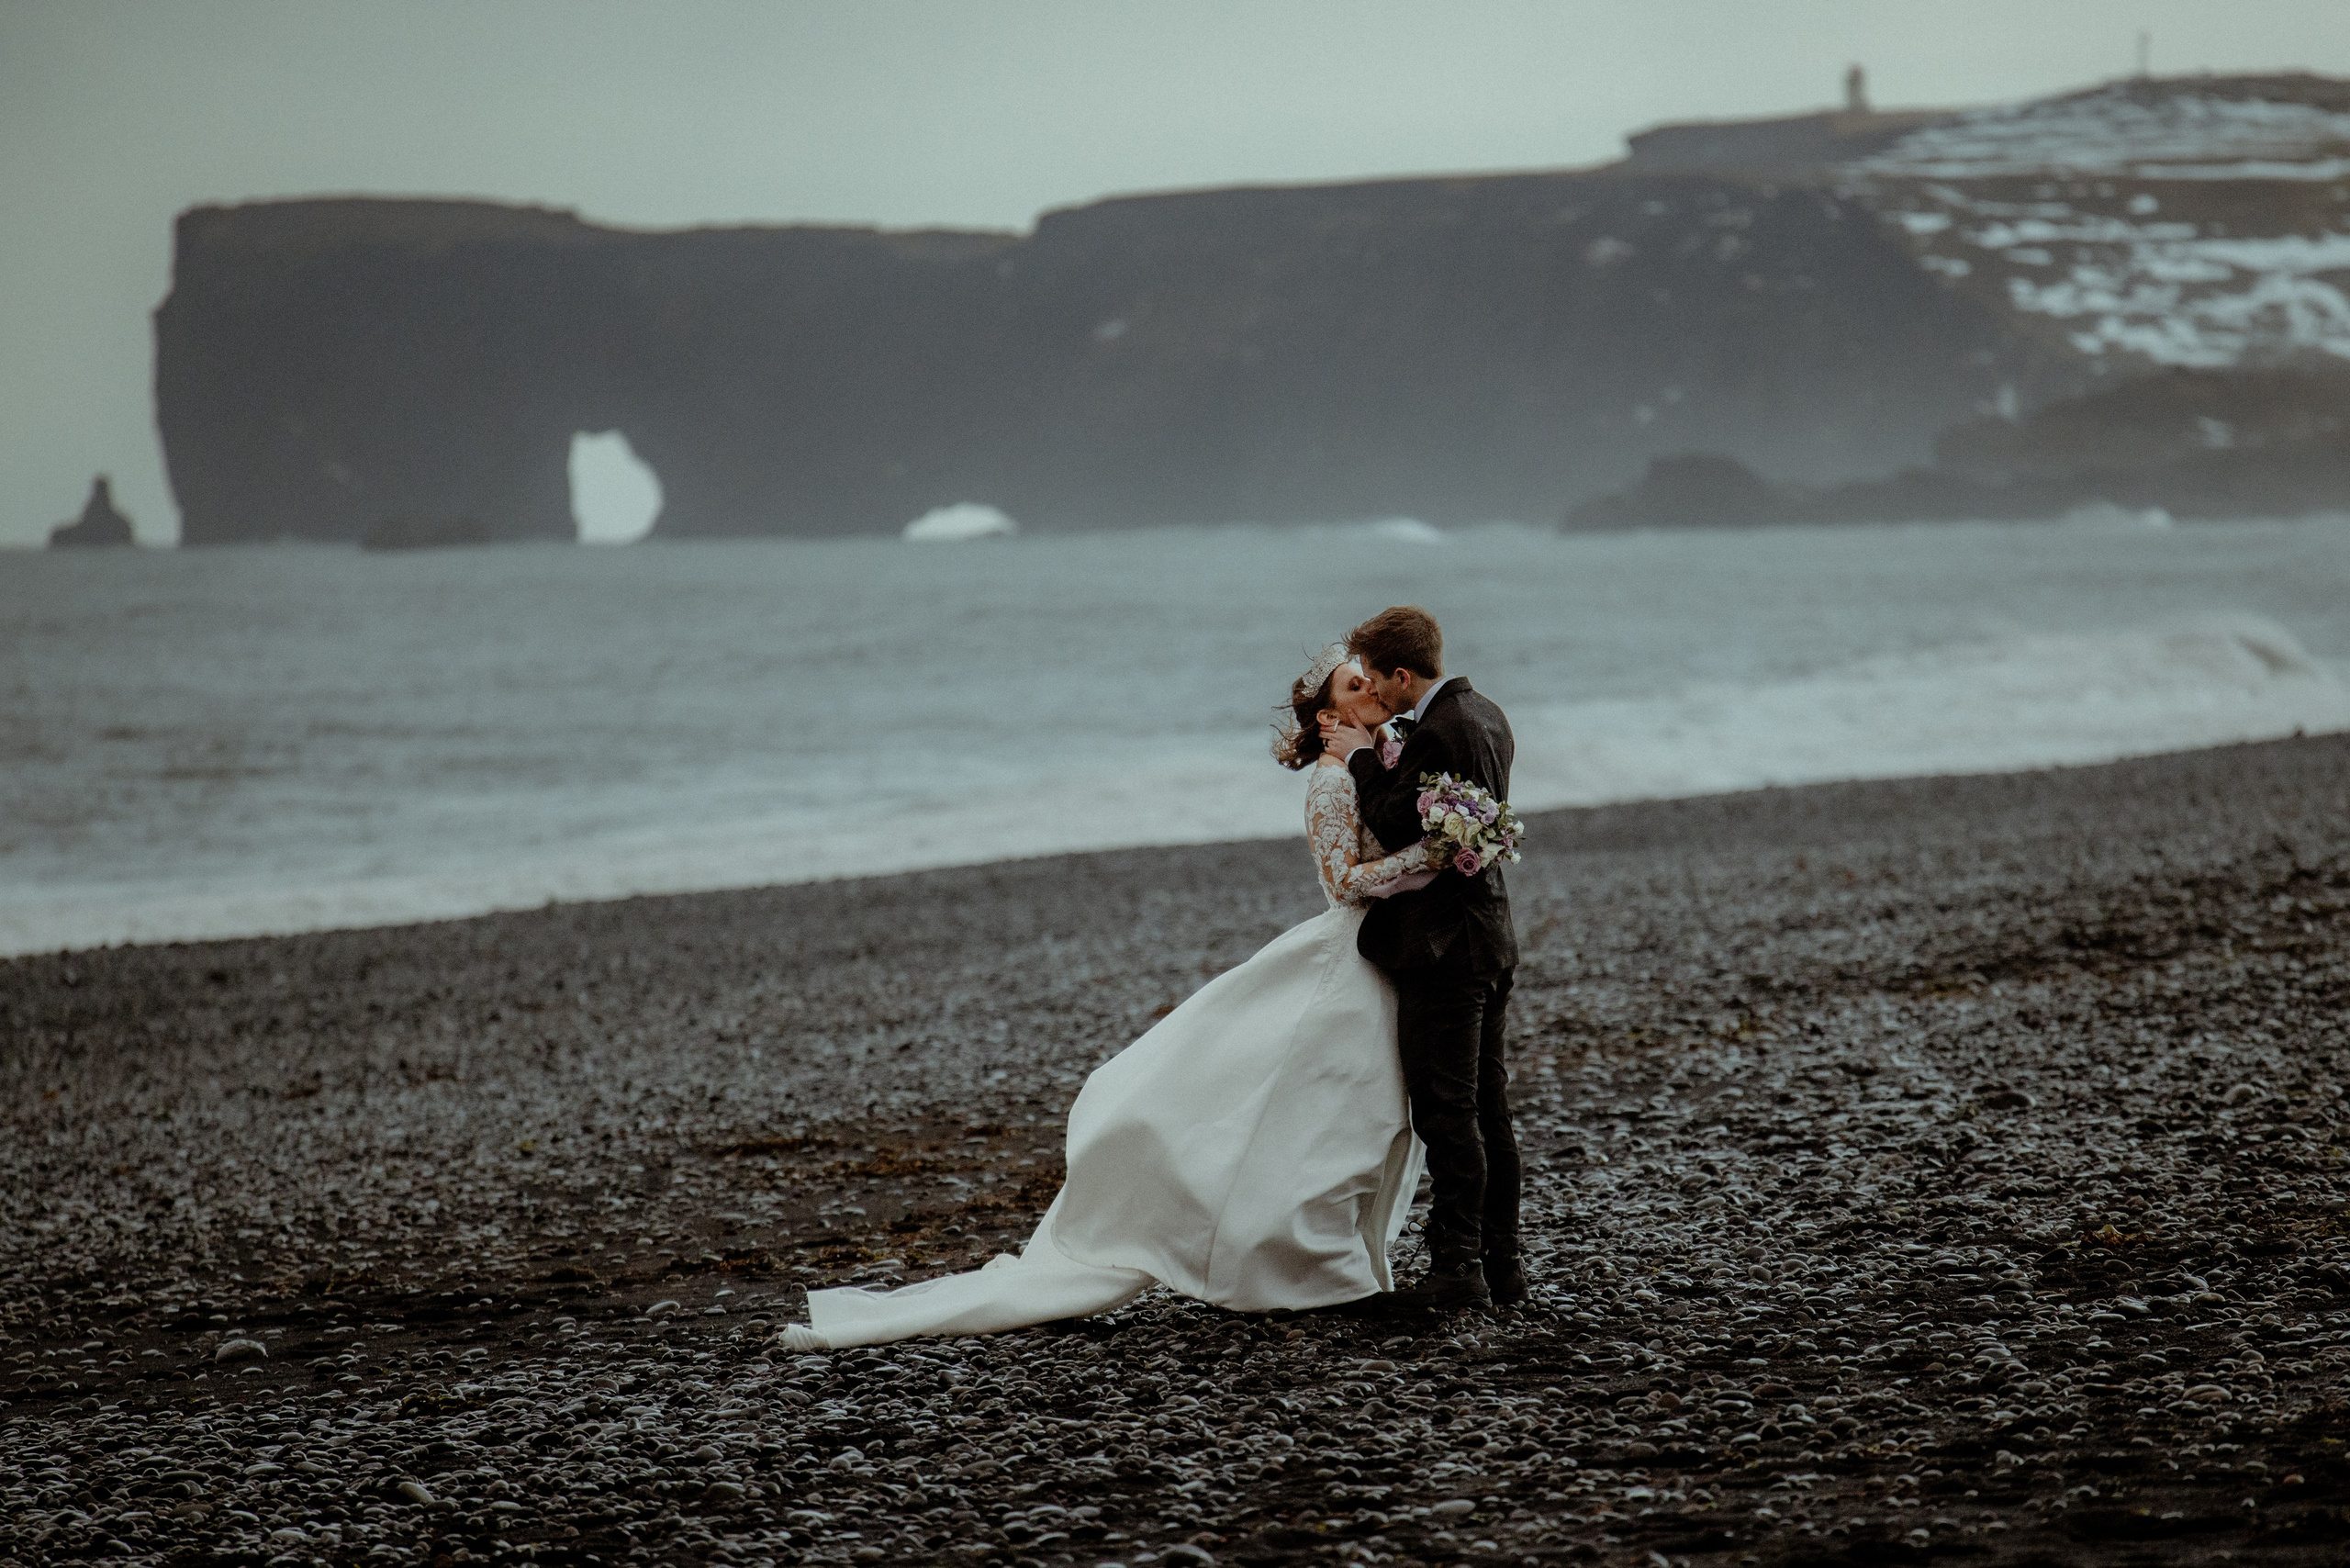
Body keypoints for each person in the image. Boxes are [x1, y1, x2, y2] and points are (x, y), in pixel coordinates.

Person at [778, 644, 1435, 1350]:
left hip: (1374, 960)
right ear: (1333, 713)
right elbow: (1342, 883)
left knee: (1342, 1118)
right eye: (1353, 682)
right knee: (1312, 1112)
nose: (1369, 684)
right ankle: (1291, 1264)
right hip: (1348, 952)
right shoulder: (1333, 781)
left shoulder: (1376, 760)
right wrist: (1429, 857)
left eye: (1368, 674)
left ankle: (1317, 1258)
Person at [1321, 606, 1526, 1313]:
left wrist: (1354, 756)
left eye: (1376, 678)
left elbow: (1397, 820)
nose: (1374, 691)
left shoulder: (1442, 729)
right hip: (1489, 934)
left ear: (1402, 674)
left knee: (1447, 1112)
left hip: (1447, 947)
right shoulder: (1488, 714)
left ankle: (1458, 1268)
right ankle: (1502, 1263)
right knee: (1487, 1109)